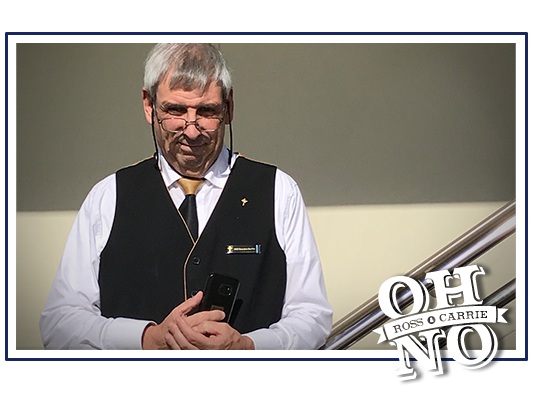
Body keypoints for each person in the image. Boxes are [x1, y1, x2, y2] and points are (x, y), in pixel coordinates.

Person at [39, 43, 333, 351]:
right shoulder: (107, 197)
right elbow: (61, 324)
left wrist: (248, 347)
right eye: (175, 111)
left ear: (229, 107)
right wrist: (146, 339)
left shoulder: (278, 191)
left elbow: (311, 315)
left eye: (206, 111)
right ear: (149, 105)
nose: (191, 131)